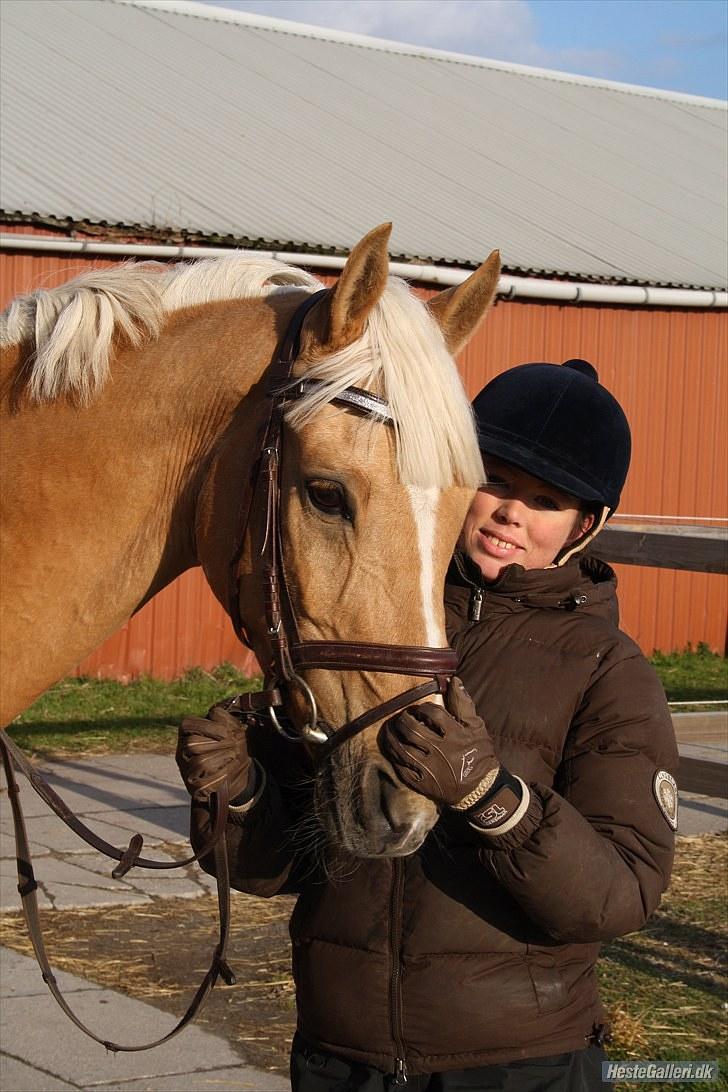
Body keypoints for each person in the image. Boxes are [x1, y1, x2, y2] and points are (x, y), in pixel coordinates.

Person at [177, 359, 679, 1091]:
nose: (511, 513)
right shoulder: (369, 630)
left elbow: (619, 897)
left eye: (546, 499)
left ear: (586, 525)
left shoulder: (609, 670)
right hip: (339, 1054)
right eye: (497, 480)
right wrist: (241, 792)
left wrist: (491, 798)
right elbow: (274, 869)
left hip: (514, 1065)